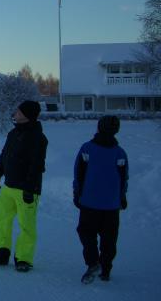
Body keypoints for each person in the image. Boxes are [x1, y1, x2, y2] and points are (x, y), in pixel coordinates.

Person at [0, 100, 48, 272]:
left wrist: (29, 189)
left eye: (18, 111)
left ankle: (23, 259)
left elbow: (37, 165)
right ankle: (0, 253)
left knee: (27, 226)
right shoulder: (13, 133)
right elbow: (4, 155)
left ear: (26, 115)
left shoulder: (38, 138)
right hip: (8, 187)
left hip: (27, 190)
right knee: (1, 221)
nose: (15, 113)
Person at [73, 115, 128, 284]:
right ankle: (105, 269)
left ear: (99, 128)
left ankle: (93, 262)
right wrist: (122, 197)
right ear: (116, 130)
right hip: (111, 204)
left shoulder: (87, 149)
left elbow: (79, 174)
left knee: (86, 232)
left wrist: (77, 194)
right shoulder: (119, 152)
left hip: (89, 202)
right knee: (109, 237)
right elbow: (123, 177)